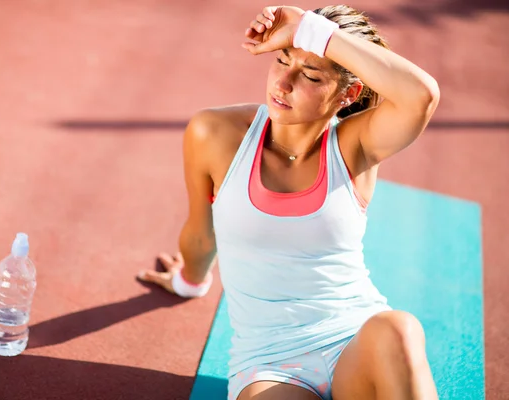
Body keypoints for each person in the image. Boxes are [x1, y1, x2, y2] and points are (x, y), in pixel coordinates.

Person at [138, 4, 440, 400]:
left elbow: (421, 96)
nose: (283, 82)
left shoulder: (357, 146)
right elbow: (201, 228)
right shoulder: (215, 133)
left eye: (311, 74)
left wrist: (309, 29)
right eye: (282, 60)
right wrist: (189, 281)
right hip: (271, 361)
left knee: (399, 328)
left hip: (354, 336)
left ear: (348, 94)